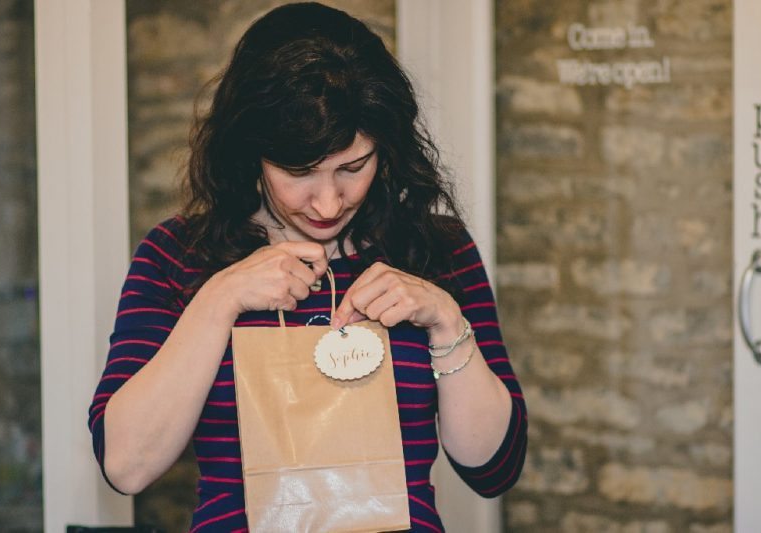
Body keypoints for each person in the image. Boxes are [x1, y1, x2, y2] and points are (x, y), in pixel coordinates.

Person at [88, 2, 527, 531]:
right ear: (250, 150)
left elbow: (494, 469)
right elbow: (126, 465)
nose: (327, 202)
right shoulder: (179, 254)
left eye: (353, 167)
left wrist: (447, 322)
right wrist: (220, 299)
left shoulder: (437, 248)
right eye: (299, 172)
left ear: (386, 151)